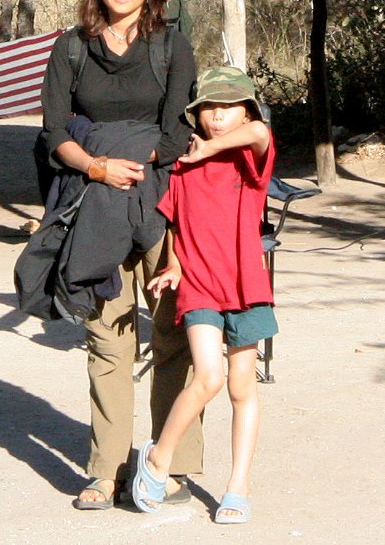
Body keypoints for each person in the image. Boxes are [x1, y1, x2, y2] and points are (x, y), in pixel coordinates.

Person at [37, 0, 198, 511]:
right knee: (107, 337)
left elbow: (181, 129)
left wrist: (136, 158)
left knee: (174, 330)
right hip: (96, 203)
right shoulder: (71, 48)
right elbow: (54, 132)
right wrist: (98, 167)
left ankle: (170, 463)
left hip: (162, 204)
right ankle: (106, 470)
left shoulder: (172, 47)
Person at [133, 64, 276, 524]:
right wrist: (174, 265)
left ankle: (238, 486)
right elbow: (177, 224)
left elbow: (260, 133)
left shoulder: (249, 159)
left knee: (241, 386)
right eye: (209, 108)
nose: (217, 116)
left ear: (246, 112)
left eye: (228, 107)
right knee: (208, 378)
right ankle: (158, 459)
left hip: (247, 285)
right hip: (199, 286)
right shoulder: (182, 167)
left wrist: (212, 147)